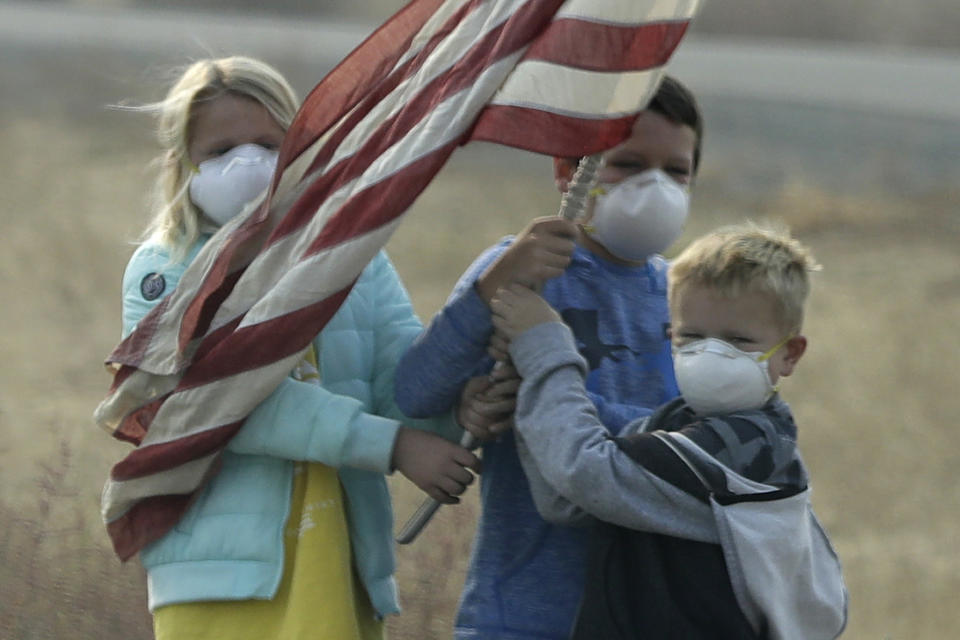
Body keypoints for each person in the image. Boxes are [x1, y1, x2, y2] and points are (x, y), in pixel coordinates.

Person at [117, 56, 480, 640]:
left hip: (340, 559)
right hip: (223, 577)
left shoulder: (356, 260)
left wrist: (461, 404)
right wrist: (393, 445)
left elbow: (400, 385)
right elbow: (226, 402)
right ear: (181, 165)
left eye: (269, 143)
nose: (249, 163)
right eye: (219, 150)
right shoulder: (164, 272)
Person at [395, 75, 704, 638]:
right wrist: (491, 293)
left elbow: (692, 448)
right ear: (569, 173)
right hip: (524, 611)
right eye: (628, 164)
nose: (654, 186)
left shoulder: (693, 299)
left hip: (652, 613)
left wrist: (547, 393)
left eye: (676, 171)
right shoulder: (522, 274)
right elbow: (416, 393)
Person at [489, 222, 847, 639]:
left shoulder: (751, 446)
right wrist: (527, 388)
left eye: (738, 340)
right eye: (693, 336)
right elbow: (567, 499)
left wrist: (544, 347)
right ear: (670, 336)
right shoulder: (674, 422)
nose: (711, 352)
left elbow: (587, 472)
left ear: (789, 354)